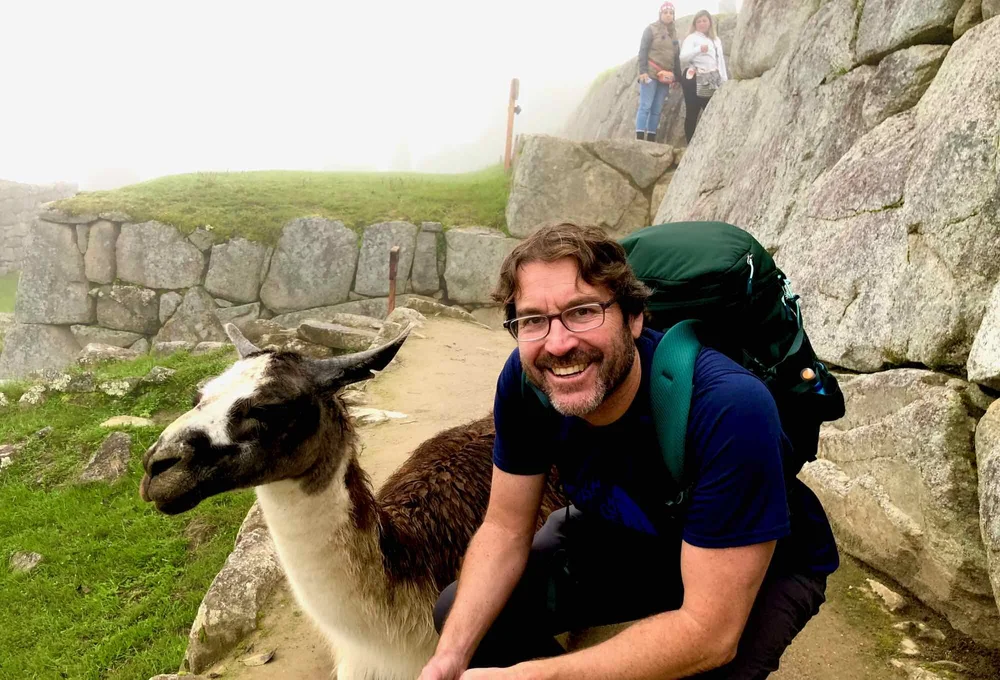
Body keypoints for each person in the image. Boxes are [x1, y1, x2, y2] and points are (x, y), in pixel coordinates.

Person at [419, 224, 839, 679]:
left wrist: (536, 676)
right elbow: (504, 528)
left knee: (699, 658)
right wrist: (449, 658)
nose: (558, 344)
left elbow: (708, 633)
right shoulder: (526, 384)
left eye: (582, 312)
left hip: (755, 559)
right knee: (462, 618)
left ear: (635, 317)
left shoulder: (729, 408)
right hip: (630, 536)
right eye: (533, 320)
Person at [634, 2, 681, 143]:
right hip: (650, 74)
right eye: (665, 12)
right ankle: (640, 139)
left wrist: (677, 78)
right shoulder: (651, 29)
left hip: (665, 77)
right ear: (660, 14)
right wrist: (642, 71)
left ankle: (651, 139)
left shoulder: (674, 34)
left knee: (656, 109)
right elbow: (642, 51)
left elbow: (676, 57)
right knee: (645, 106)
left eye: (671, 13)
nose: (668, 15)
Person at [679, 10, 728, 143]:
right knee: (692, 111)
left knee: (712, 110)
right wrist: (699, 49)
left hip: (712, 76)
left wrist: (724, 80)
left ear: (710, 22)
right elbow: (683, 57)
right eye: (698, 21)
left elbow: (720, 61)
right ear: (695, 24)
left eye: (704, 20)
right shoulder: (692, 38)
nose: (701, 23)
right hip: (694, 77)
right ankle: (690, 144)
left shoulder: (716, 40)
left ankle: (710, 143)